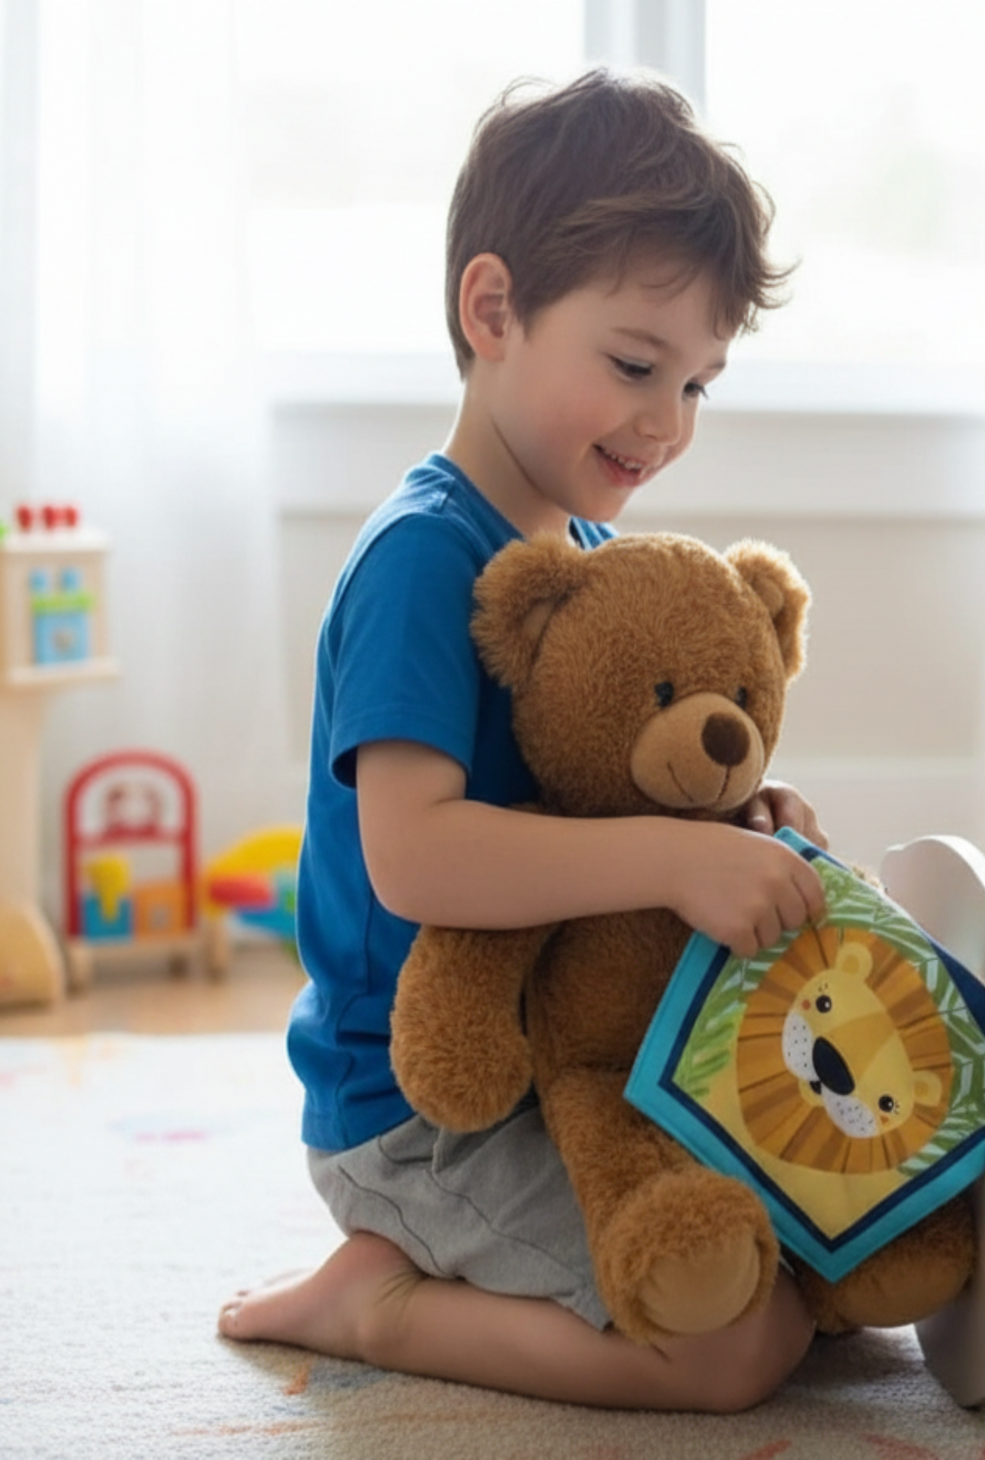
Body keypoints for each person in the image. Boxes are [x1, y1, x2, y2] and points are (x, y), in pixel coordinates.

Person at [218, 68, 828, 1412]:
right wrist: (670, 860)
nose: (666, 422)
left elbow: (615, 788)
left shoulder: (598, 563)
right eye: (631, 366)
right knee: (738, 1349)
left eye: (697, 383)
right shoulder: (421, 561)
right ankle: (379, 1302)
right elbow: (417, 860)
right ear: (492, 310)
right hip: (425, 1107)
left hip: (586, 1064)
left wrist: (737, 821)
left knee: (833, 1247)